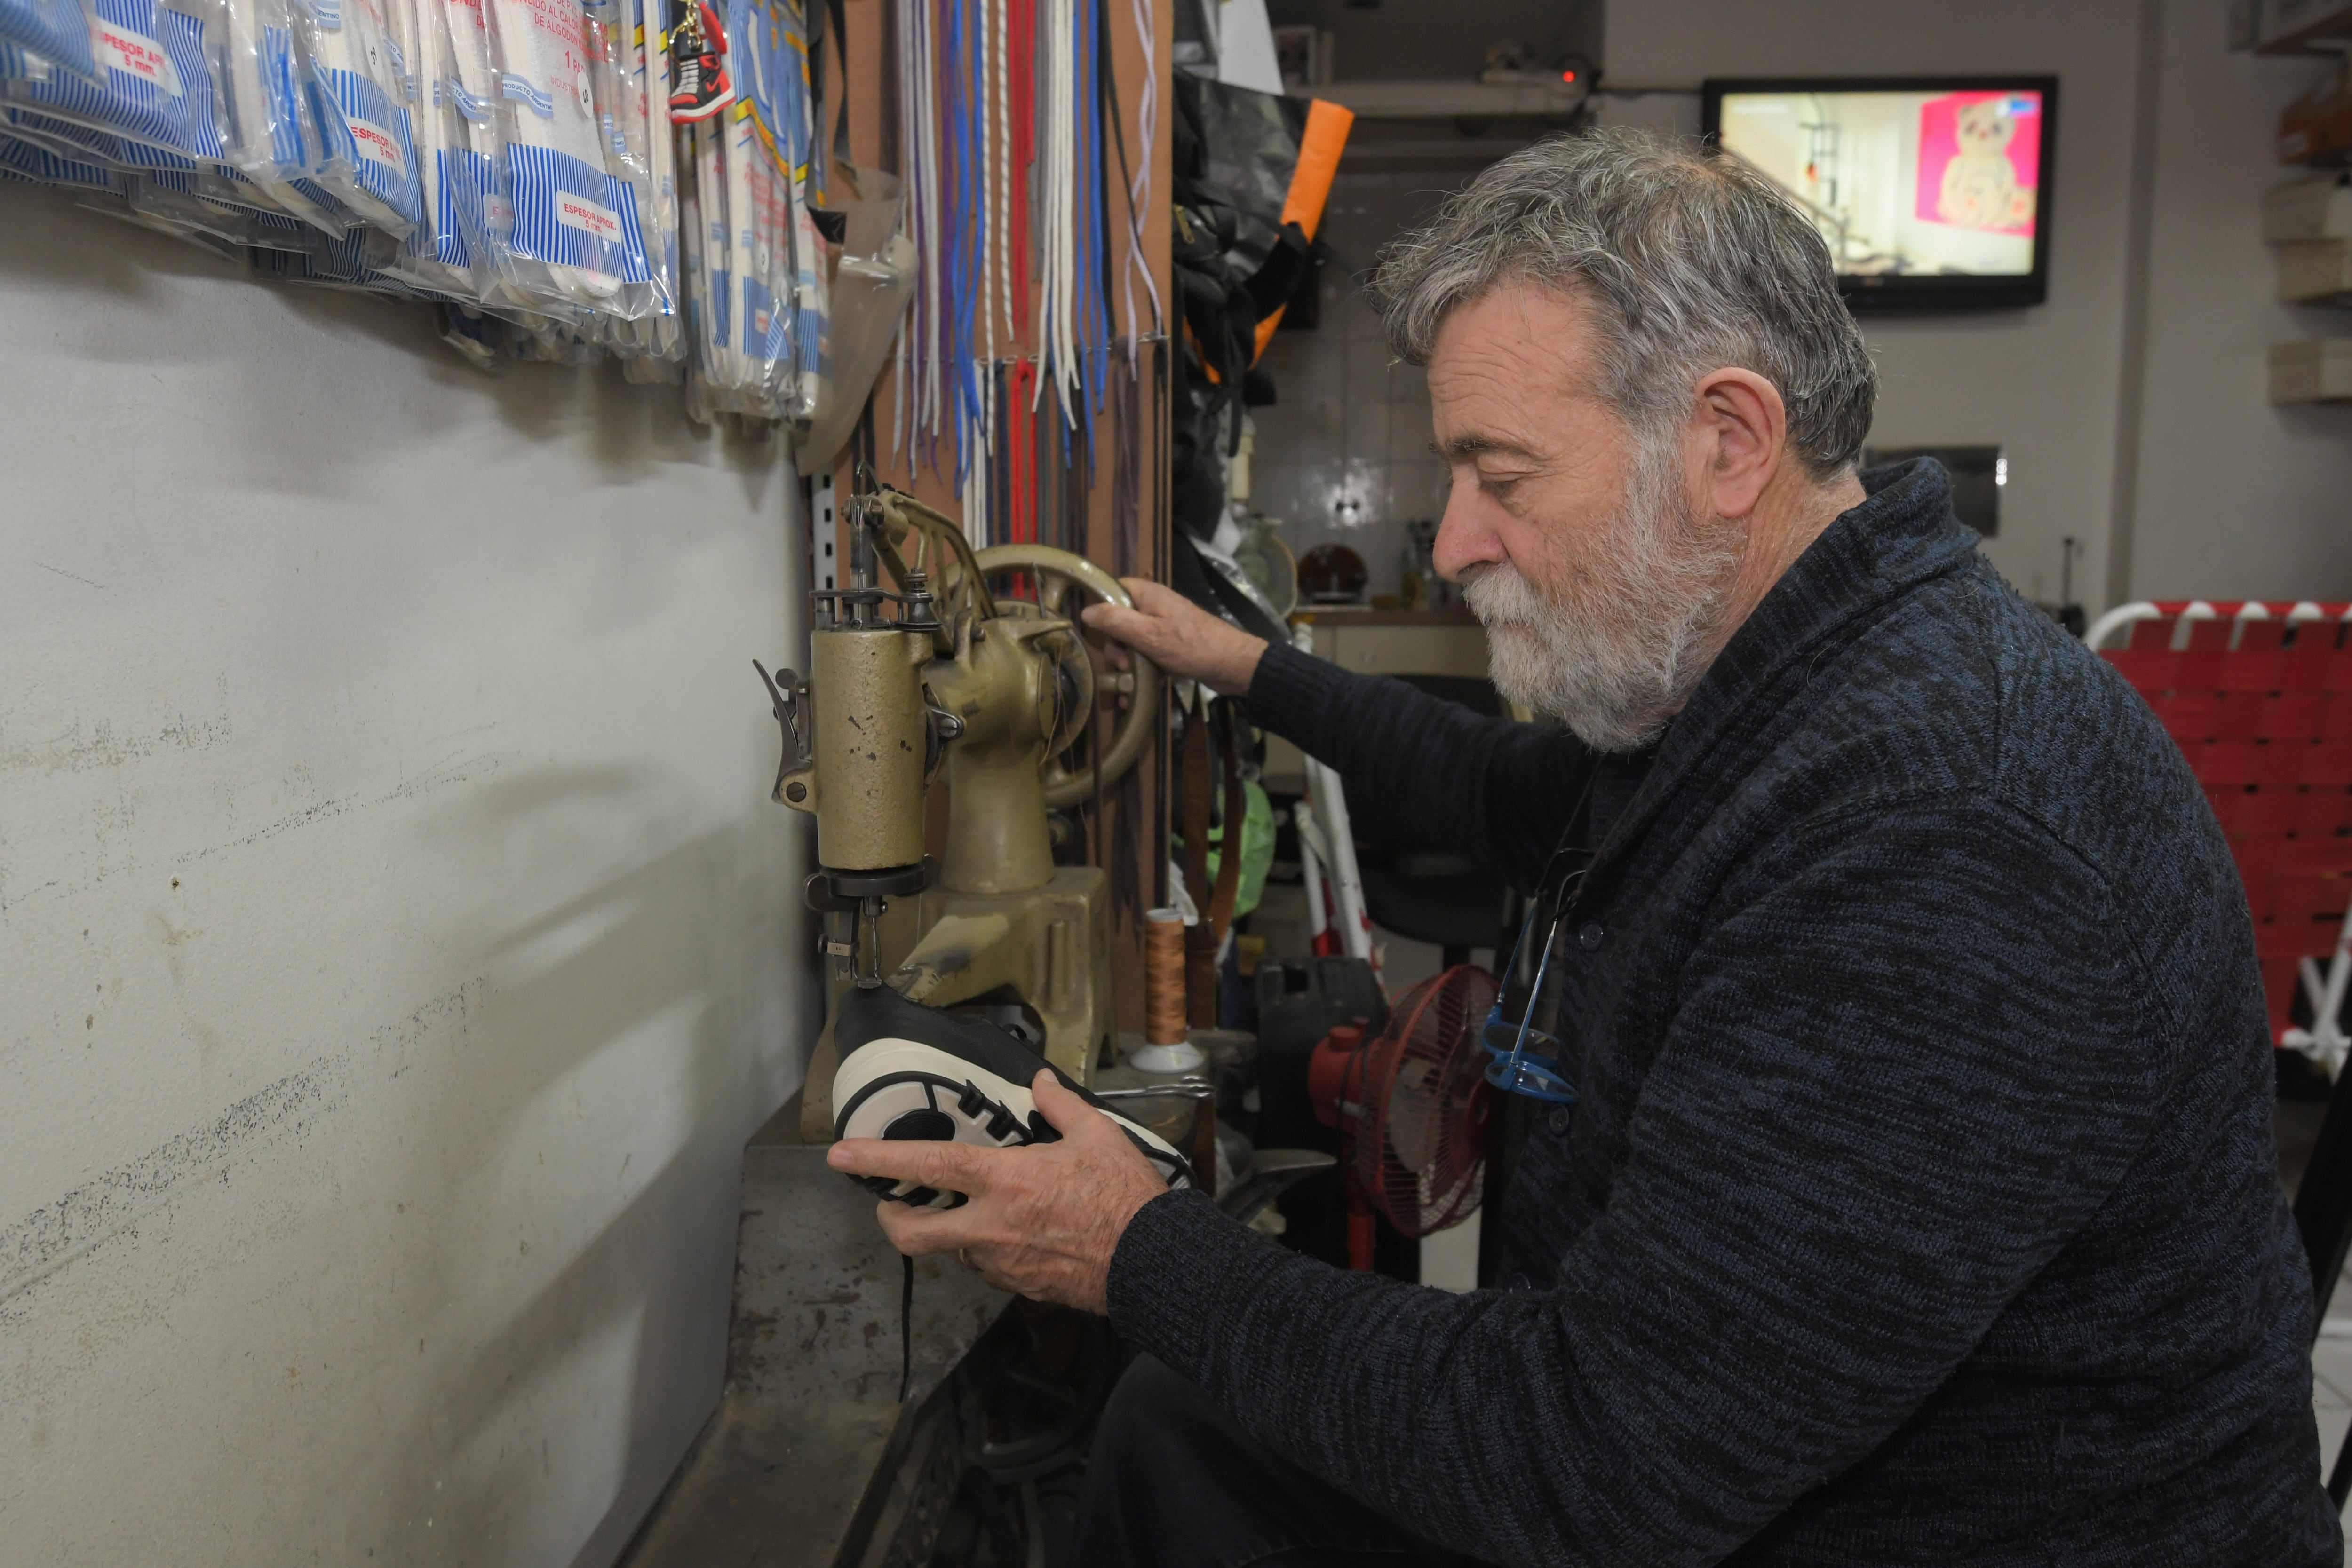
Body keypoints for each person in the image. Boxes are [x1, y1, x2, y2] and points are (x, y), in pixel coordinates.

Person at [826, 128, 2341, 1566]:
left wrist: (1135, 1246)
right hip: (1732, 1478)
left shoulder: (1936, 834)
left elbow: (1603, 1468)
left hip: (1894, 1528)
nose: (1458, 541)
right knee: (1181, 1427)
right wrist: (1251, 671)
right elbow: (1509, 792)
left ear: (1727, 441)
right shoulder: (1783, 671)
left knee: (1184, 1436)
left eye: (1503, 474)